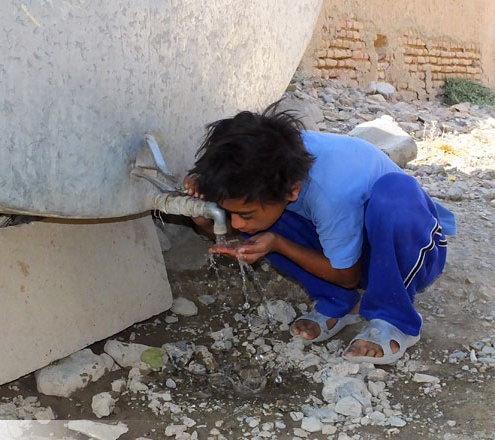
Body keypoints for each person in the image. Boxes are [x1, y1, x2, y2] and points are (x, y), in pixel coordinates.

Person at [184, 101, 456, 364]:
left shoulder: (332, 191)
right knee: (267, 219)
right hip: (351, 243)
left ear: (293, 190)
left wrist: (278, 244)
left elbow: (348, 277)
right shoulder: (269, 164)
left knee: (393, 195)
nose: (238, 224)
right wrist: (203, 216)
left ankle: (394, 319)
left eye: (243, 215)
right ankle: (341, 304)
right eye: (229, 212)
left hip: (413, 254)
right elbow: (237, 218)